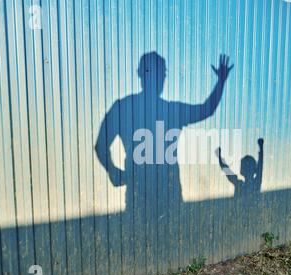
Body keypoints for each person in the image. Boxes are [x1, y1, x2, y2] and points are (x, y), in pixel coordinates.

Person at [95, 52, 233, 208]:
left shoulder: (124, 108)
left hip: (153, 199)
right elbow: (206, 110)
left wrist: (113, 171)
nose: (160, 79)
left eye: (162, 74)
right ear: (141, 74)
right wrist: (221, 81)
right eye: (156, 73)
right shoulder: (166, 111)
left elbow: (206, 110)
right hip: (160, 199)